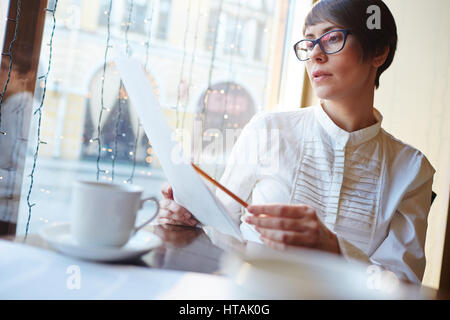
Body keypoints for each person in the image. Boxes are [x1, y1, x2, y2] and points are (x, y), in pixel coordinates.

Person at [157, 0, 435, 284]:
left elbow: (404, 287)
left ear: (378, 52)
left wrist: (336, 249)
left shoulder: (413, 170)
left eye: (332, 38)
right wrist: (189, 217)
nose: (315, 54)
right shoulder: (267, 129)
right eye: (310, 42)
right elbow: (221, 231)